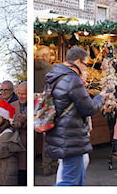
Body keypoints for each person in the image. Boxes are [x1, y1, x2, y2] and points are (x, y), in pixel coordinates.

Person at [44, 46, 111, 186]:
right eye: (85, 64)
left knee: (77, 179)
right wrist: (101, 97)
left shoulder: (56, 76)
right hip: (71, 137)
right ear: (78, 62)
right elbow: (89, 108)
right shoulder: (72, 79)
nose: (86, 68)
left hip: (64, 134)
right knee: (69, 181)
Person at [13, 81, 27, 186]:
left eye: (24, 94)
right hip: (15, 149)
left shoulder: (36, 104)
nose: (21, 96)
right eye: (19, 93)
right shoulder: (12, 106)